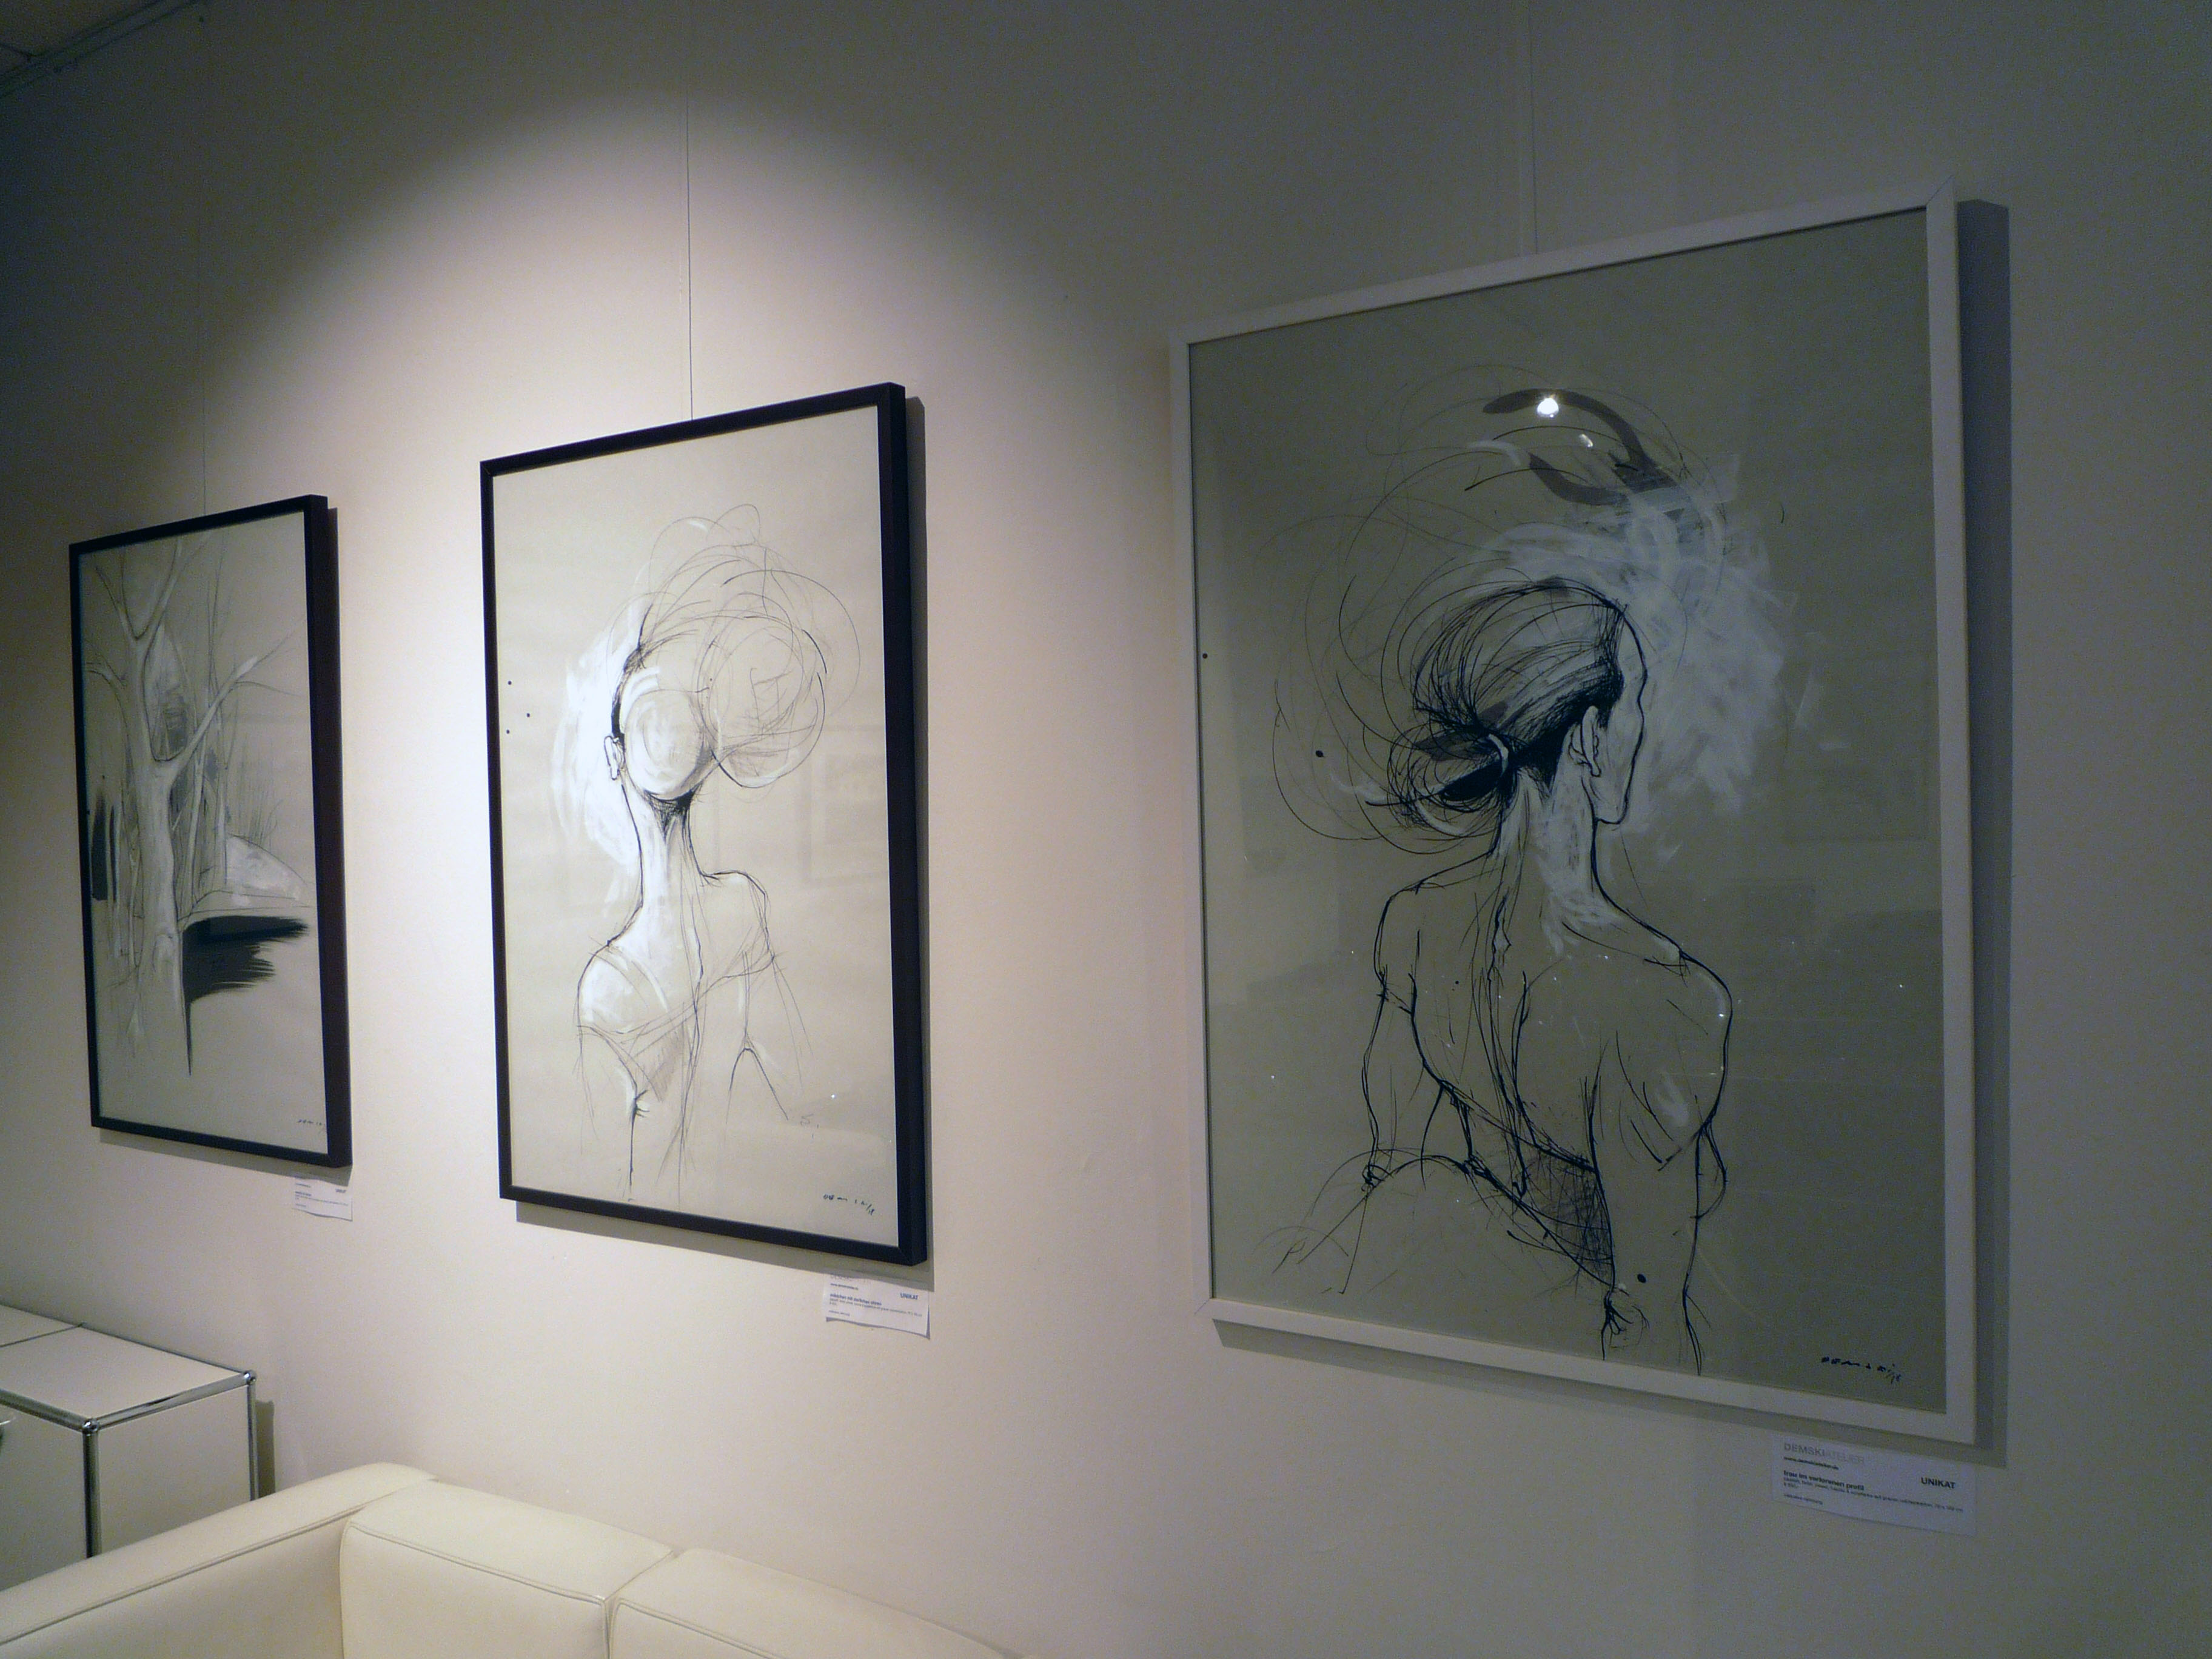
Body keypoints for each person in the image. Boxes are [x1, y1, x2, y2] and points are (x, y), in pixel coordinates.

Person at [1356, 578, 1730, 1369]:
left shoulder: (1414, 923)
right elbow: (1648, 1319)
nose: (1639, 728)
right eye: (1636, 704)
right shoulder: (1662, 997)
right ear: (1591, 735)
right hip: (1577, 1365)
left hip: (1465, 1337)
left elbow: (1390, 1176)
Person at [574, 550, 831, 1207]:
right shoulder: (742, 908)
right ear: (708, 750)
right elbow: (807, 1093)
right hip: (731, 1224)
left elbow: (601, 1183)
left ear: (615, 756)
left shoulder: (607, 988)